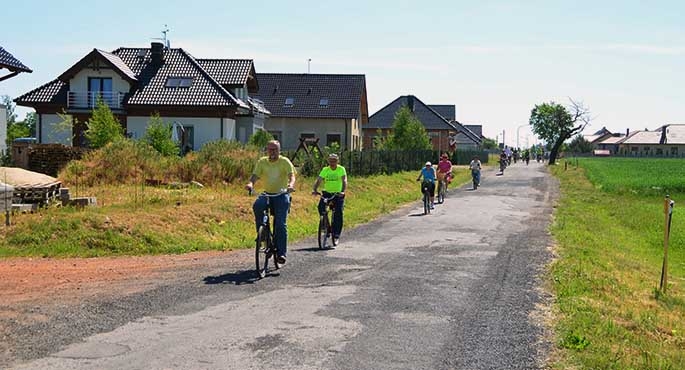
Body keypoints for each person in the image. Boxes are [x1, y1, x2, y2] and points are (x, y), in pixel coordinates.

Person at [245, 140, 296, 264]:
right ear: (267, 150)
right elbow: (255, 175)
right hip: (267, 193)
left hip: (281, 194)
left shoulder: (284, 162)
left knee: (280, 224)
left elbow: (292, 176)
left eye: (274, 149)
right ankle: (262, 235)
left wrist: (290, 185)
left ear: (279, 150)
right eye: (270, 149)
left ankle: (281, 253)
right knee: (257, 205)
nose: (272, 152)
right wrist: (250, 183)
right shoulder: (262, 162)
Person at [312, 153, 347, 245]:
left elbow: (344, 180)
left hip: (337, 194)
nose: (332, 163)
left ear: (337, 161)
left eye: (334, 161)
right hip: (327, 193)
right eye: (330, 161)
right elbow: (319, 180)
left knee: (338, 212)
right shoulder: (325, 170)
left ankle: (336, 234)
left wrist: (342, 191)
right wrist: (315, 189)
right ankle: (326, 226)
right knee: (321, 207)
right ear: (328, 161)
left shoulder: (341, 169)